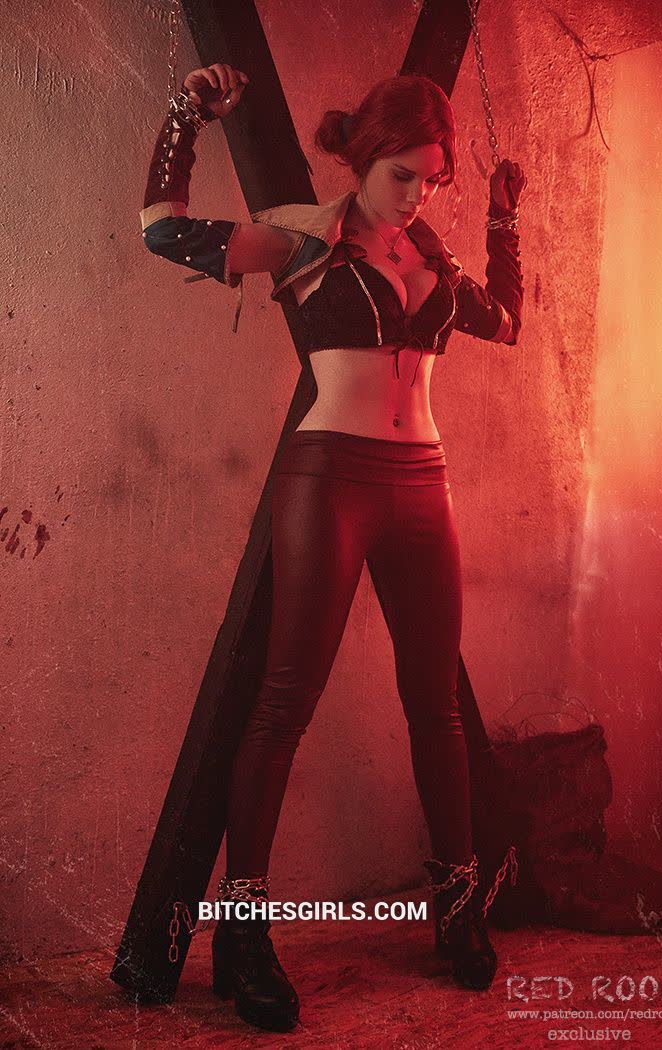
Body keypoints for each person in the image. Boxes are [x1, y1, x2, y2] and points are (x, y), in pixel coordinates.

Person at [140, 62, 526, 1033]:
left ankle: (456, 906)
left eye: (432, 179)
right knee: (283, 704)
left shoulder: (433, 259)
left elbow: (509, 324)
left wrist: (501, 220)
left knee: (435, 705)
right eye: (403, 175)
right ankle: (244, 934)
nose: (417, 194)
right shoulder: (302, 241)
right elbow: (161, 232)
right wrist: (185, 114)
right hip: (330, 480)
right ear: (364, 160)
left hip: (422, 484)